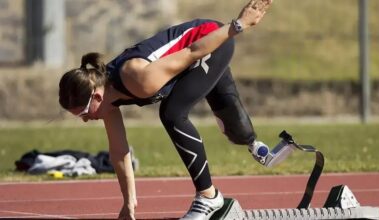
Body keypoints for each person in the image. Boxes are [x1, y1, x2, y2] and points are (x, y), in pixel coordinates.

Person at [58, 0, 272, 219]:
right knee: (235, 129)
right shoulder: (108, 101)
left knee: (172, 114)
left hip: (212, 41)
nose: (86, 120)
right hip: (197, 53)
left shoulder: (139, 79)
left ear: (96, 95)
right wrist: (128, 204)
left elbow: (192, 51)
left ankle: (209, 196)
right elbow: (120, 153)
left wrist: (239, 24)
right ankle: (253, 144)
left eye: (84, 113)